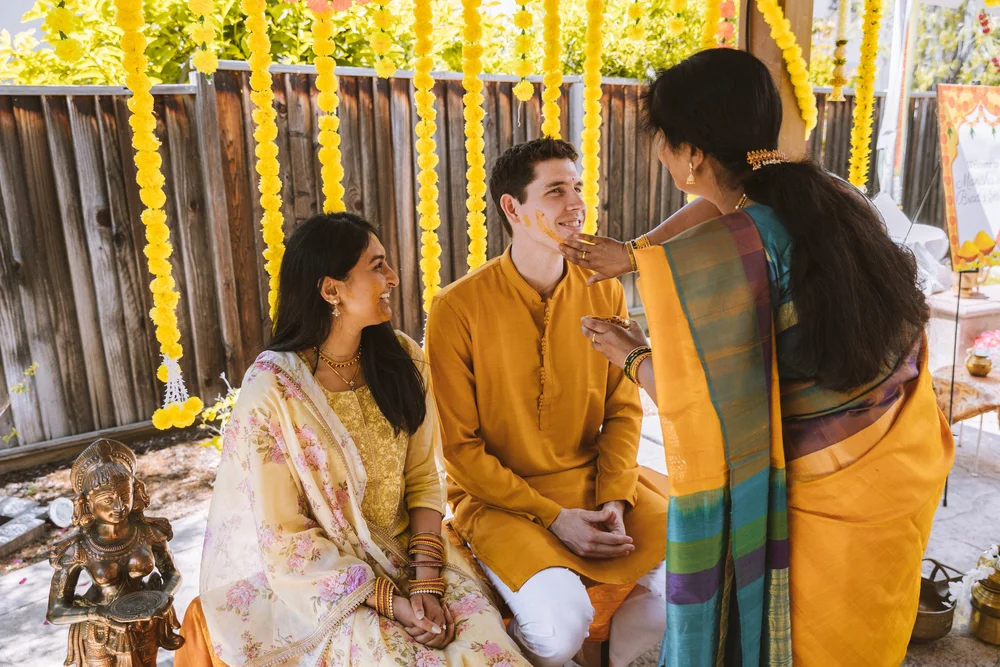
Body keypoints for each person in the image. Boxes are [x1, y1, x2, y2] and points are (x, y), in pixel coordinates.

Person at [562, 49, 954, 666]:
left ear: (691, 154)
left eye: (662, 141)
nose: (660, 154)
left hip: (823, 496)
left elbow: (707, 415)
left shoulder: (731, 255)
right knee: (867, 629)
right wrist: (637, 253)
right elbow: (727, 207)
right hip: (899, 459)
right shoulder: (827, 194)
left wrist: (631, 354)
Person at [180, 213, 527, 666]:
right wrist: (392, 602)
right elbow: (285, 536)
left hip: (416, 556)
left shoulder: (403, 359)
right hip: (330, 583)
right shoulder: (274, 390)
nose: (393, 278)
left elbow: (424, 479)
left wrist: (426, 581)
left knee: (490, 652)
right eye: (377, 266)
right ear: (331, 290)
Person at [425, 138, 669, 667]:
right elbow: (459, 450)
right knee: (559, 631)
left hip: (593, 482)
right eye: (556, 190)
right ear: (512, 208)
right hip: (500, 502)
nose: (576, 203)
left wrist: (614, 498)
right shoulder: (456, 308)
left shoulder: (603, 290)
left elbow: (623, 409)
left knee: (689, 580)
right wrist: (554, 517)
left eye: (577, 187)